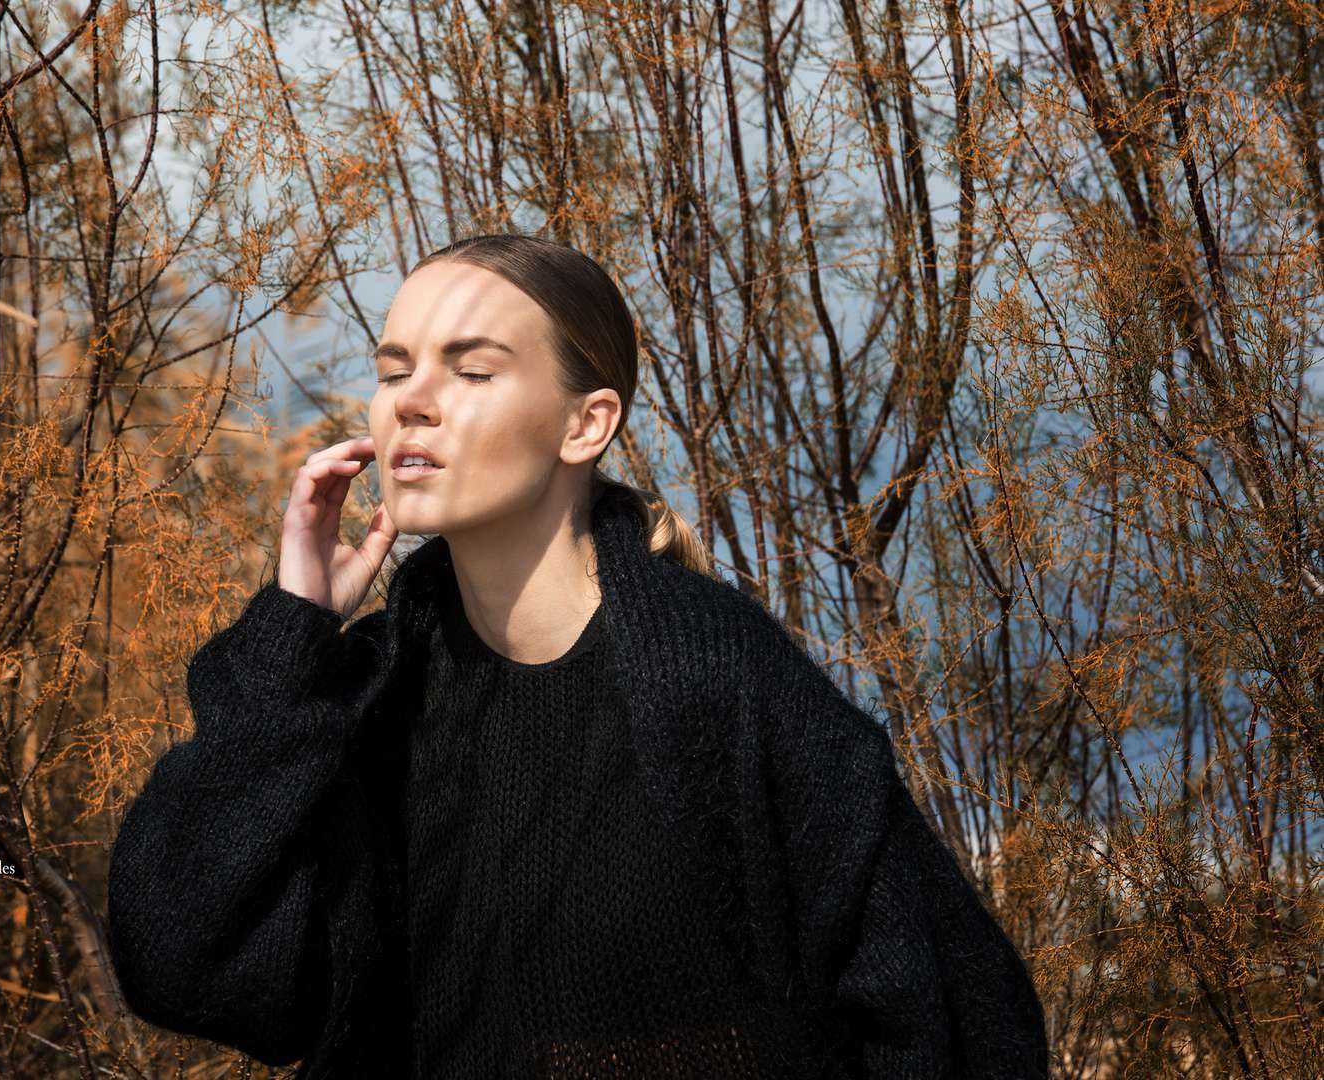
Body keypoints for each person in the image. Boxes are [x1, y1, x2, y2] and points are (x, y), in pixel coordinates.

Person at [106, 233, 1050, 1078]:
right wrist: (293, 639)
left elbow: (956, 1014)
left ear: (585, 424)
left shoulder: (709, 678)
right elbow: (185, 970)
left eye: (471, 371)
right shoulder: (372, 696)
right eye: (393, 372)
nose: (411, 405)